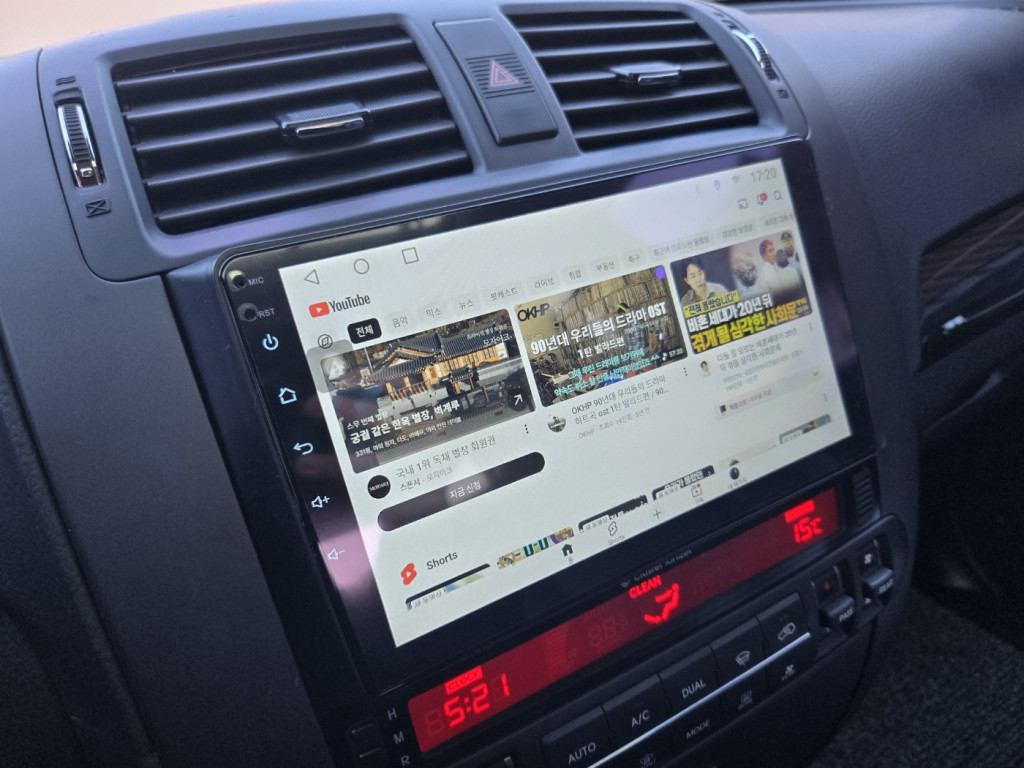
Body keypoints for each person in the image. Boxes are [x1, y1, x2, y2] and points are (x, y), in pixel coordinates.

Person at [758, 238, 804, 304]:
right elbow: (780, 293)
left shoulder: (763, 270)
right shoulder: (769, 271)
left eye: (773, 250)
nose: (773, 253)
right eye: (770, 251)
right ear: (763, 256)